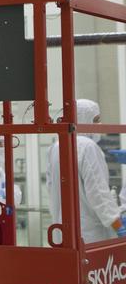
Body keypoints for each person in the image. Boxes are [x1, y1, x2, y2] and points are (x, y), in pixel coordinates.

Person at [46, 98, 126, 243]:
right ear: (83, 119)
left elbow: (51, 187)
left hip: (62, 230)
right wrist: (117, 225)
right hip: (90, 233)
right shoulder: (87, 147)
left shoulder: (57, 145)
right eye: (95, 120)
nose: (99, 125)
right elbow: (98, 193)